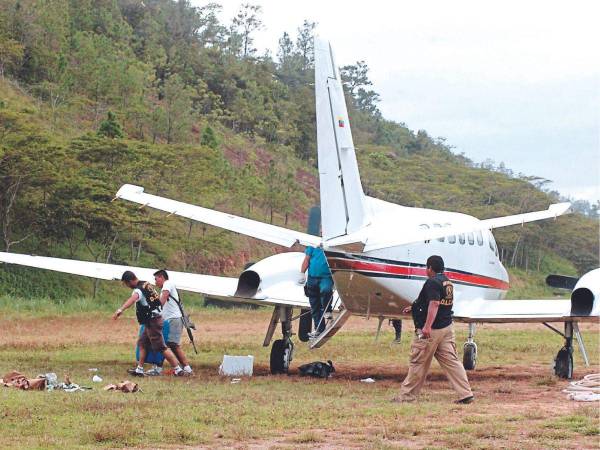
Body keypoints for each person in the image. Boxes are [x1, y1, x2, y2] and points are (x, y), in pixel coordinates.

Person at [394, 255, 474, 404]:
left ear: (430, 268)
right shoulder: (446, 282)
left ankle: (407, 396)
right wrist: (415, 307)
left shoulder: (432, 282)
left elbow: (435, 303)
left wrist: (427, 326)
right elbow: (438, 302)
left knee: (418, 362)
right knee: (452, 362)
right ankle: (466, 393)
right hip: (447, 328)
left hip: (432, 330)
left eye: (426, 267)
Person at [113, 271, 185, 376]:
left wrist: (121, 310)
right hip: (152, 320)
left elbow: (133, 299)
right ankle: (139, 369)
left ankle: (178, 369)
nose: (127, 286)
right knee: (142, 343)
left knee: (161, 347)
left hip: (153, 321)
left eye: (126, 284)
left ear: (130, 281)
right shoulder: (146, 284)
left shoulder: (138, 290)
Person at [150, 269, 193, 376]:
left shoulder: (167, 284)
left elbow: (163, 298)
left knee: (171, 345)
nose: (155, 282)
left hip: (174, 320)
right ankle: (160, 367)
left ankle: (186, 368)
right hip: (169, 321)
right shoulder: (167, 286)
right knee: (165, 345)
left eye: (156, 279)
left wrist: (155, 311)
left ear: (161, 277)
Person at [301, 245, 334, 338]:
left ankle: (327, 310)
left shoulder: (331, 246)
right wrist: (302, 273)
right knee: (315, 306)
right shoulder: (312, 245)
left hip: (326, 277)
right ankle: (319, 329)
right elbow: (307, 259)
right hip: (312, 278)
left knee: (326, 290)